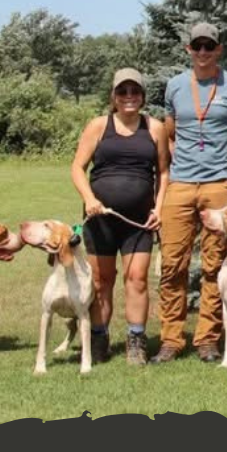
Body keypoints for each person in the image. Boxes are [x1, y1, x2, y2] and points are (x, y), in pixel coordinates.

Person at [156, 19, 227, 364]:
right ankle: (170, 339)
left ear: (219, 50)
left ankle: (208, 340)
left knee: (215, 265)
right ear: (188, 49)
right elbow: (169, 134)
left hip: (219, 184)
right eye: (196, 46)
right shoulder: (174, 87)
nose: (202, 52)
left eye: (208, 46)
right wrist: (169, 177)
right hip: (181, 185)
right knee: (172, 264)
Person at [70, 69, 169, 367]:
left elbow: (163, 172)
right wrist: (89, 199)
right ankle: (98, 338)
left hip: (138, 221)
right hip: (100, 218)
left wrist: (159, 209)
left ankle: (136, 341)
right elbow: (77, 167)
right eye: (123, 92)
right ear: (113, 96)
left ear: (142, 96)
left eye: (135, 91)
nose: (129, 97)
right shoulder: (99, 126)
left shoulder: (155, 128)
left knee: (137, 278)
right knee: (101, 281)